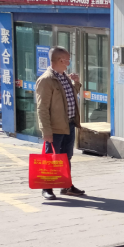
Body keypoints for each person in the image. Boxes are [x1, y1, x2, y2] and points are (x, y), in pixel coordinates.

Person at [36, 46, 85, 201]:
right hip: (55, 128)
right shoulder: (46, 80)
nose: (69, 62)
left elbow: (68, 97)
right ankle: (47, 188)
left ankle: (66, 186)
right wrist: (46, 131)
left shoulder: (64, 77)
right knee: (50, 158)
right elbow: (42, 108)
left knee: (66, 157)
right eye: (68, 60)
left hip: (68, 124)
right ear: (60, 60)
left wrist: (76, 83)